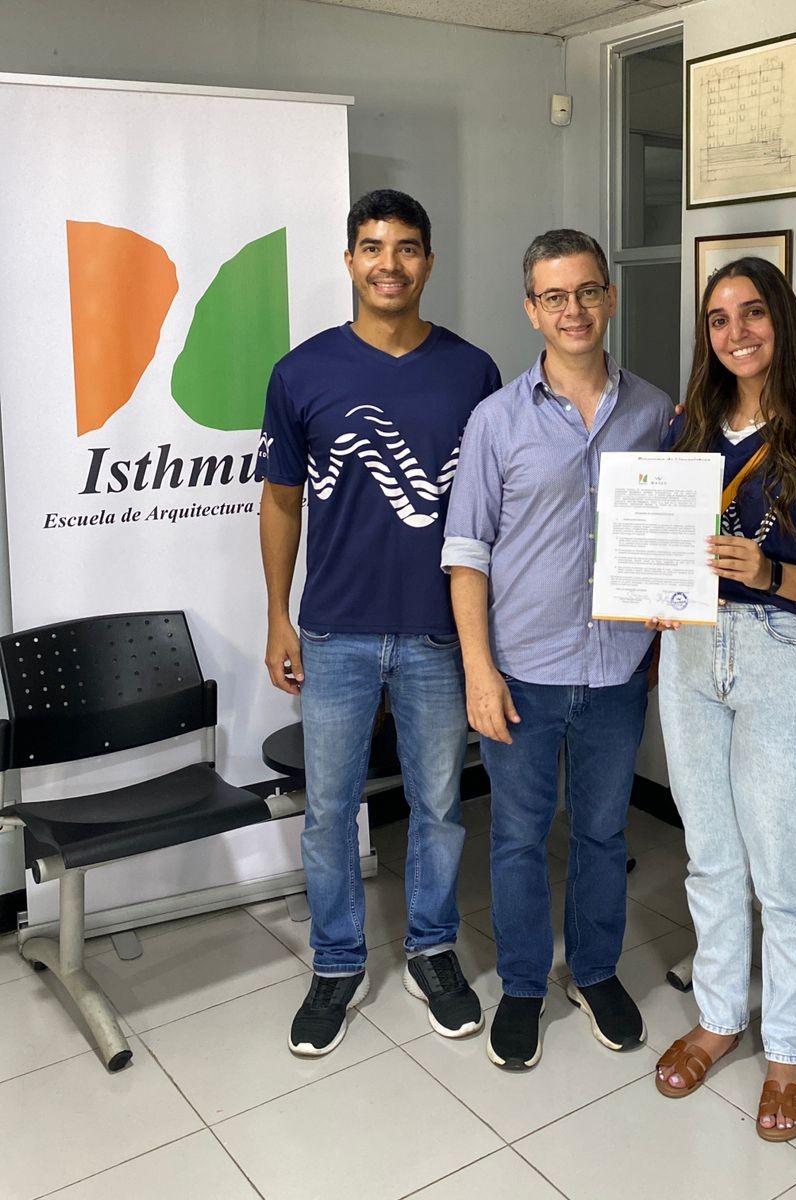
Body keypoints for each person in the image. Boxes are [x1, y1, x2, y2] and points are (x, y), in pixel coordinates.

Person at [258, 189, 501, 1057]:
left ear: (428, 261)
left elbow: (492, 507)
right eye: (372, 247)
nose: (388, 264)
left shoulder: (472, 372)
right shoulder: (302, 373)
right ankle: (336, 961)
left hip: (438, 634)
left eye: (405, 248)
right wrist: (277, 616)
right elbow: (280, 501)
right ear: (350, 260)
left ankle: (432, 951)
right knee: (328, 811)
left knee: (438, 806)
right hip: (336, 633)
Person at [442, 229, 672, 1070]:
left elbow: (675, 529)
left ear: (609, 297)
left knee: (604, 835)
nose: (572, 310)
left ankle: (597, 972)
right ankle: (524, 984)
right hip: (523, 674)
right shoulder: (495, 421)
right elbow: (466, 553)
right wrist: (479, 669)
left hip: (617, 671)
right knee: (517, 836)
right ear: (531, 310)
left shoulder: (656, 413)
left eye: (586, 292)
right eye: (554, 297)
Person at [650, 258, 796, 1143]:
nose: (736, 333)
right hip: (690, 653)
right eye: (719, 319)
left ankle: (791, 1049)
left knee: (787, 867)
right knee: (711, 855)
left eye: (752, 313)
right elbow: (657, 548)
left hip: (787, 655)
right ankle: (720, 1016)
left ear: (781, 321)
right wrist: (649, 588)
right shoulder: (684, 431)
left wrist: (770, 573)